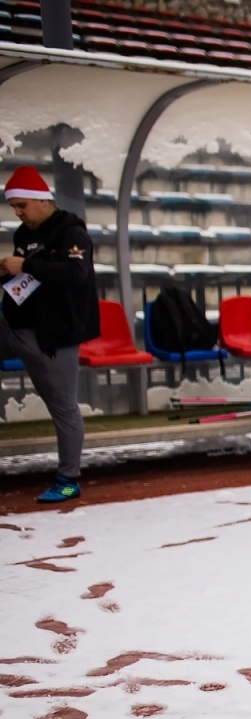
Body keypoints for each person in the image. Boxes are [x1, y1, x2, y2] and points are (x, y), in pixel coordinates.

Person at [0, 166, 99, 503]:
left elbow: (75, 274)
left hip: (54, 336)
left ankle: (68, 478)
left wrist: (24, 266)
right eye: (14, 207)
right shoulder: (23, 235)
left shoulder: (72, 233)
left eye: (23, 206)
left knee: (64, 408)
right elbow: (27, 282)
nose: (19, 213)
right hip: (19, 327)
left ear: (42, 202)